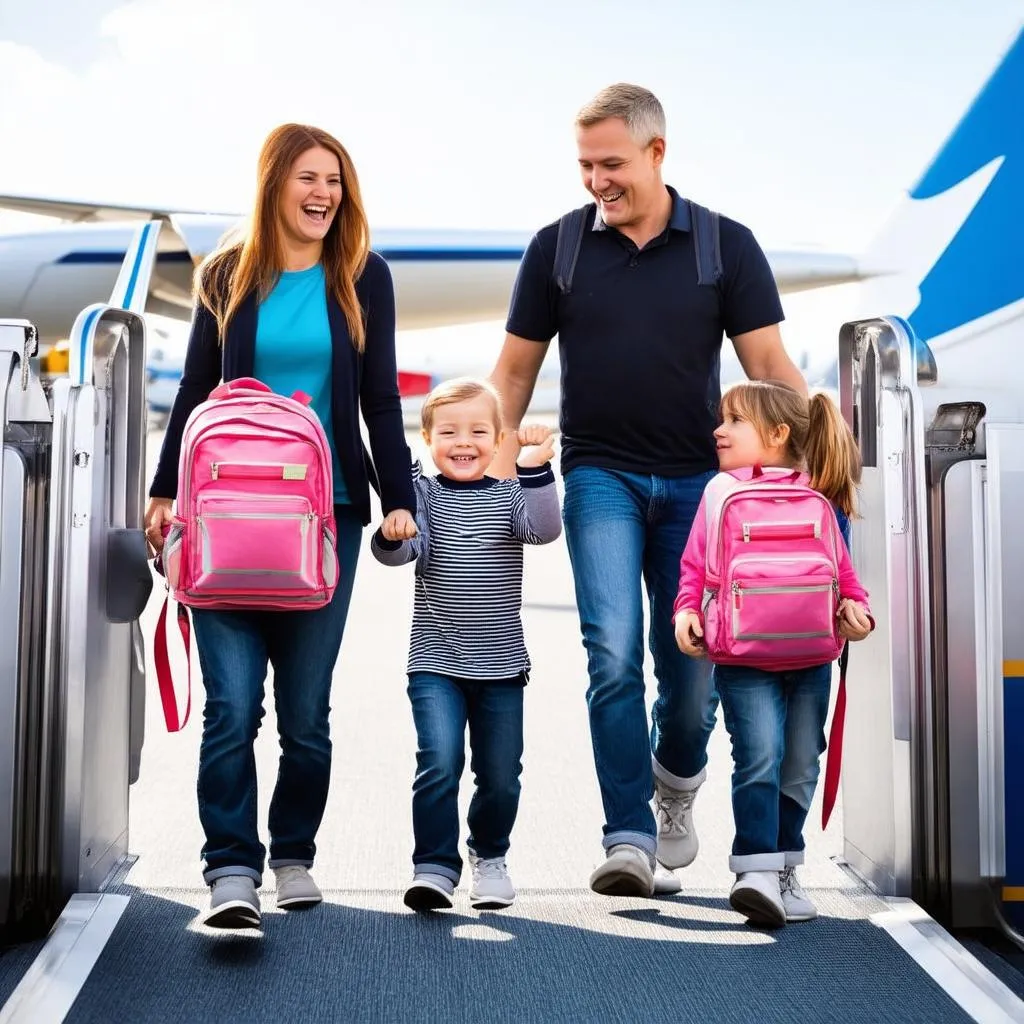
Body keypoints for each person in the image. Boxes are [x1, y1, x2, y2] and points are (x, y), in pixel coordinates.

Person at [489, 83, 807, 896]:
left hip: (702, 488)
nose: (597, 179)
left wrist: (823, 468)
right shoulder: (556, 249)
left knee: (691, 669)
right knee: (612, 654)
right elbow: (514, 373)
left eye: (613, 163)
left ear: (658, 153)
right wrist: (484, 464)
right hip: (600, 475)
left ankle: (677, 781)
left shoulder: (724, 248)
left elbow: (769, 370)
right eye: (585, 165)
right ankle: (626, 834)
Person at [144, 123, 416, 929]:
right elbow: (196, 385)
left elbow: (381, 399)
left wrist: (397, 496)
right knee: (231, 706)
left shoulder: (363, 276)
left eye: (335, 179)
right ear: (274, 185)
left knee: (306, 715)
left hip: (324, 520)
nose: (324, 192)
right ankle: (231, 868)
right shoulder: (226, 274)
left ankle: (292, 852)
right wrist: (165, 492)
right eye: (308, 177)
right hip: (224, 517)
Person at [673, 381, 872, 927]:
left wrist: (857, 607)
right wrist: (685, 611)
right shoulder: (718, 491)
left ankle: (786, 864)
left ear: (778, 434)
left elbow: (842, 569)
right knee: (759, 757)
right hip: (742, 658)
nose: (719, 429)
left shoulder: (820, 492)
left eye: (734, 420)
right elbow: (695, 565)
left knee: (801, 764)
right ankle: (756, 870)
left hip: (812, 655)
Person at [371, 378, 561, 912]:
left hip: (501, 666)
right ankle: (433, 865)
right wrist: (393, 528)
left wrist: (537, 465)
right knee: (440, 760)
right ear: (429, 439)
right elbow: (397, 555)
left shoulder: (510, 494)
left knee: (500, 775)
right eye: (450, 432)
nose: (464, 442)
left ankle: (490, 854)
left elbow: (545, 531)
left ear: (499, 439)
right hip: (435, 660)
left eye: (479, 431)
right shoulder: (423, 495)